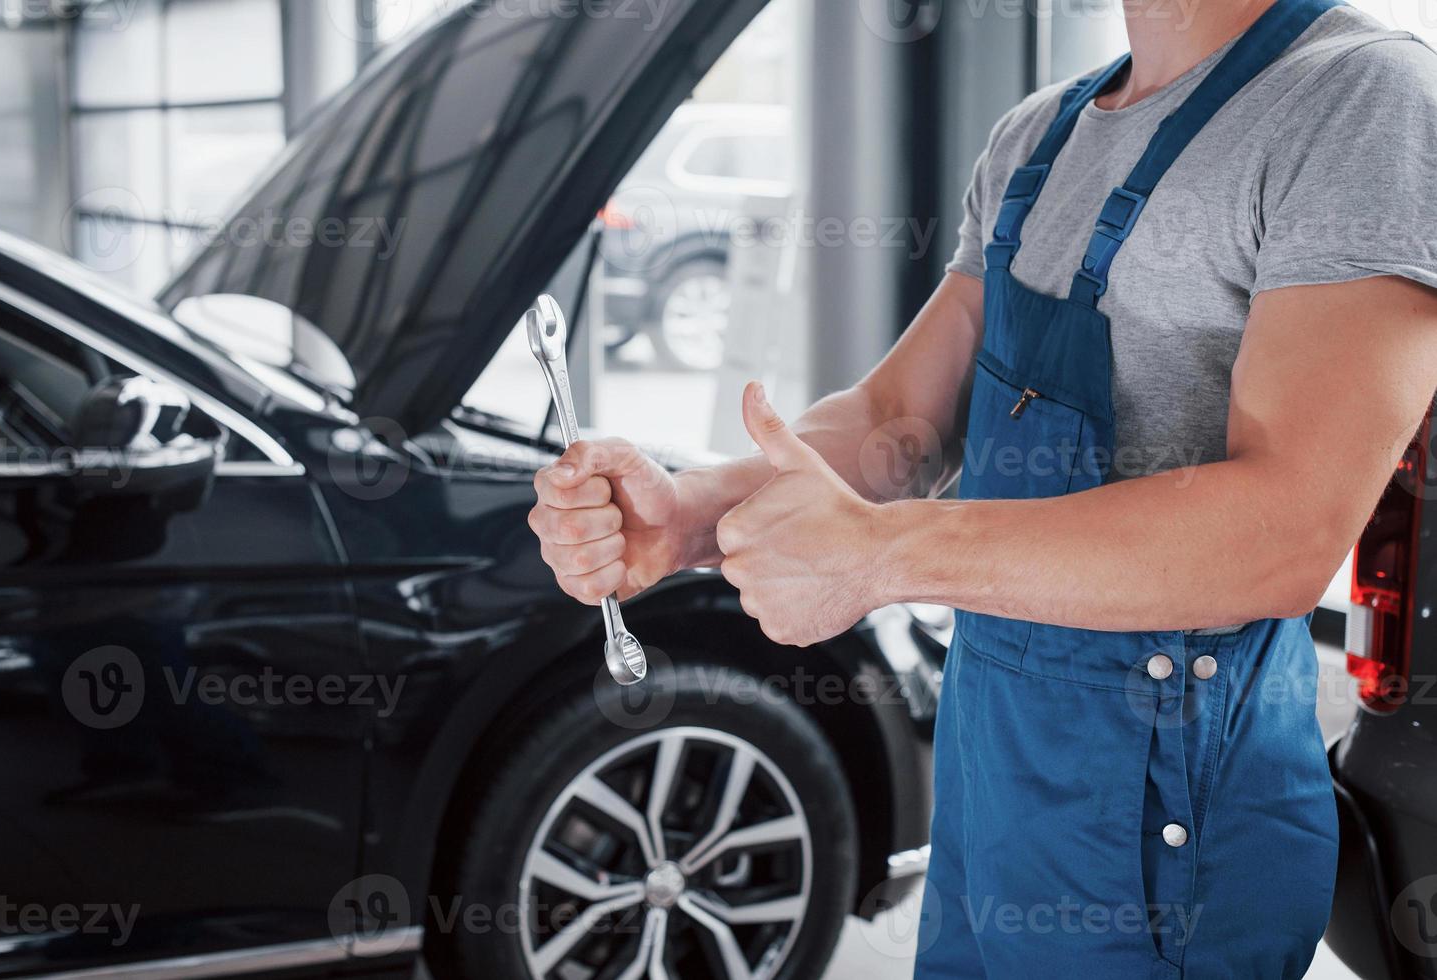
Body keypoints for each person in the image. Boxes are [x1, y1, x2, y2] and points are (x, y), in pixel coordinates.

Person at [528, 0, 1437, 974]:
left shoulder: (1359, 101)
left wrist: (882, 553)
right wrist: (688, 512)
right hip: (994, 802)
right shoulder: (1037, 136)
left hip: (1167, 837)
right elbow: (895, 422)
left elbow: (1283, 532)